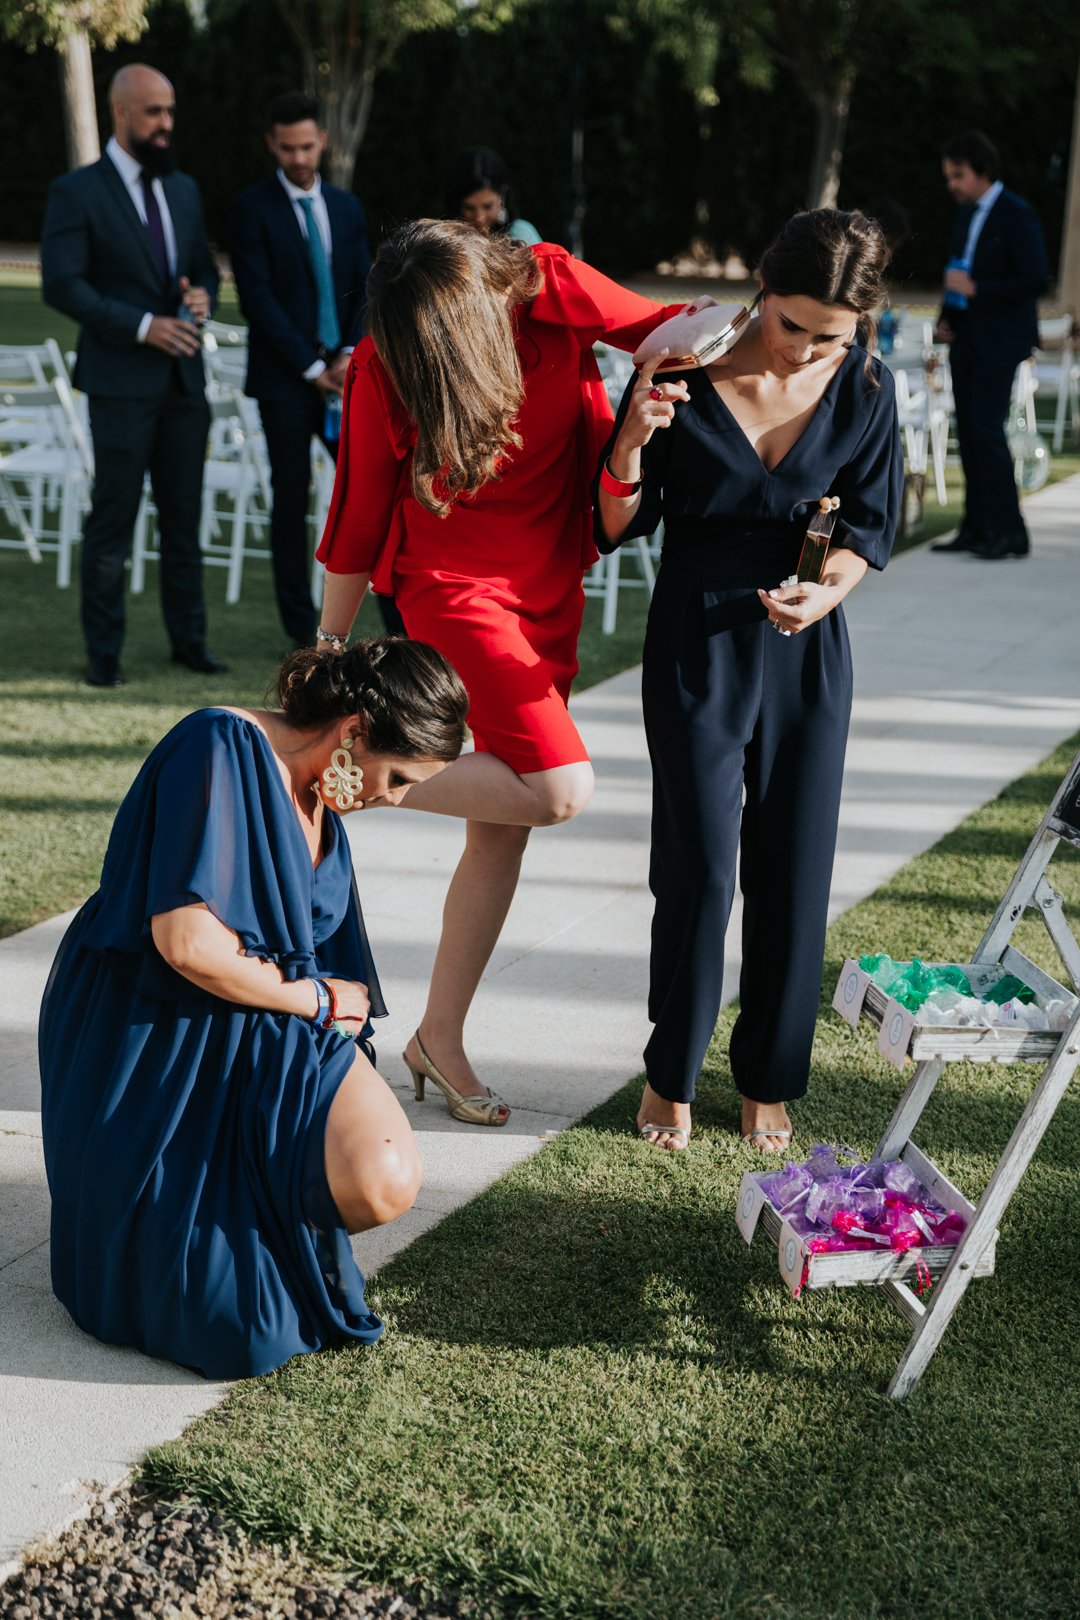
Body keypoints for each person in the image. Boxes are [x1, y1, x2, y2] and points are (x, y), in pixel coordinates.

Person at [315, 220, 689, 1126]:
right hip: (453, 589)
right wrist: (328, 652)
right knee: (556, 787)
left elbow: (672, 331)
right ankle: (352, 775)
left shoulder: (553, 289)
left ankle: (437, 1039)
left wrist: (787, 337)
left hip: (550, 580)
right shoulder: (385, 360)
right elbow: (360, 513)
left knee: (501, 827)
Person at [39, 638, 469, 1379]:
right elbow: (185, 944)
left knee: (381, 1179)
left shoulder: (321, 803)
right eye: (396, 777)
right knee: (237, 1329)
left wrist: (322, 1005)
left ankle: (258, 1219)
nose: (394, 799)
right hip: (154, 1031)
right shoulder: (218, 748)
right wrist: (316, 998)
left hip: (267, 1024)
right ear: (353, 732)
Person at [597, 209, 903, 1153]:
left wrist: (826, 595)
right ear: (761, 290)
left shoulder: (867, 387)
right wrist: (630, 445)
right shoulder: (681, 365)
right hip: (697, 628)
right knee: (695, 865)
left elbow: (871, 532)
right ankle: (670, 1074)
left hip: (808, 643)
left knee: (795, 865)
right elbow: (613, 526)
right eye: (794, 323)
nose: (808, 347)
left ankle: (768, 1081)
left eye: (833, 334)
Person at [40, 64, 225, 688]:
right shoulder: (78, 191)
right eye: (154, 112)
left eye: (170, 111)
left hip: (184, 385)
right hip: (120, 383)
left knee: (184, 516)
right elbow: (62, 284)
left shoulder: (184, 190)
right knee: (113, 519)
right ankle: (103, 656)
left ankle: (190, 643)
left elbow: (205, 269)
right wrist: (144, 325)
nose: (166, 123)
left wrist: (203, 295)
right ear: (120, 113)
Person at [228, 93, 402, 644]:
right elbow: (257, 298)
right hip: (284, 380)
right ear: (271, 145)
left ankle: (397, 619)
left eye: (306, 146)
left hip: (347, 375)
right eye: (287, 147)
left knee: (374, 492)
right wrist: (310, 365)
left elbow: (365, 287)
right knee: (290, 498)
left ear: (322, 140)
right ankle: (301, 629)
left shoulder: (347, 207)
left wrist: (349, 354)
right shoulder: (250, 209)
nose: (298, 157)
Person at [931, 131, 1050, 561]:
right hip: (966, 341)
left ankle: (1010, 532)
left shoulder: (1017, 214)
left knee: (987, 432)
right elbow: (957, 272)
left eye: (959, 175)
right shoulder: (965, 215)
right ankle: (976, 527)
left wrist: (979, 290)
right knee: (970, 433)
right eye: (949, 176)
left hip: (1001, 343)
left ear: (984, 171)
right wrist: (947, 317)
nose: (953, 185)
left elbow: (1036, 278)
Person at [444, 146, 542, 245]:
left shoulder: (520, 234)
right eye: (469, 208)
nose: (479, 217)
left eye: (487, 206)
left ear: (503, 195)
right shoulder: (444, 240)